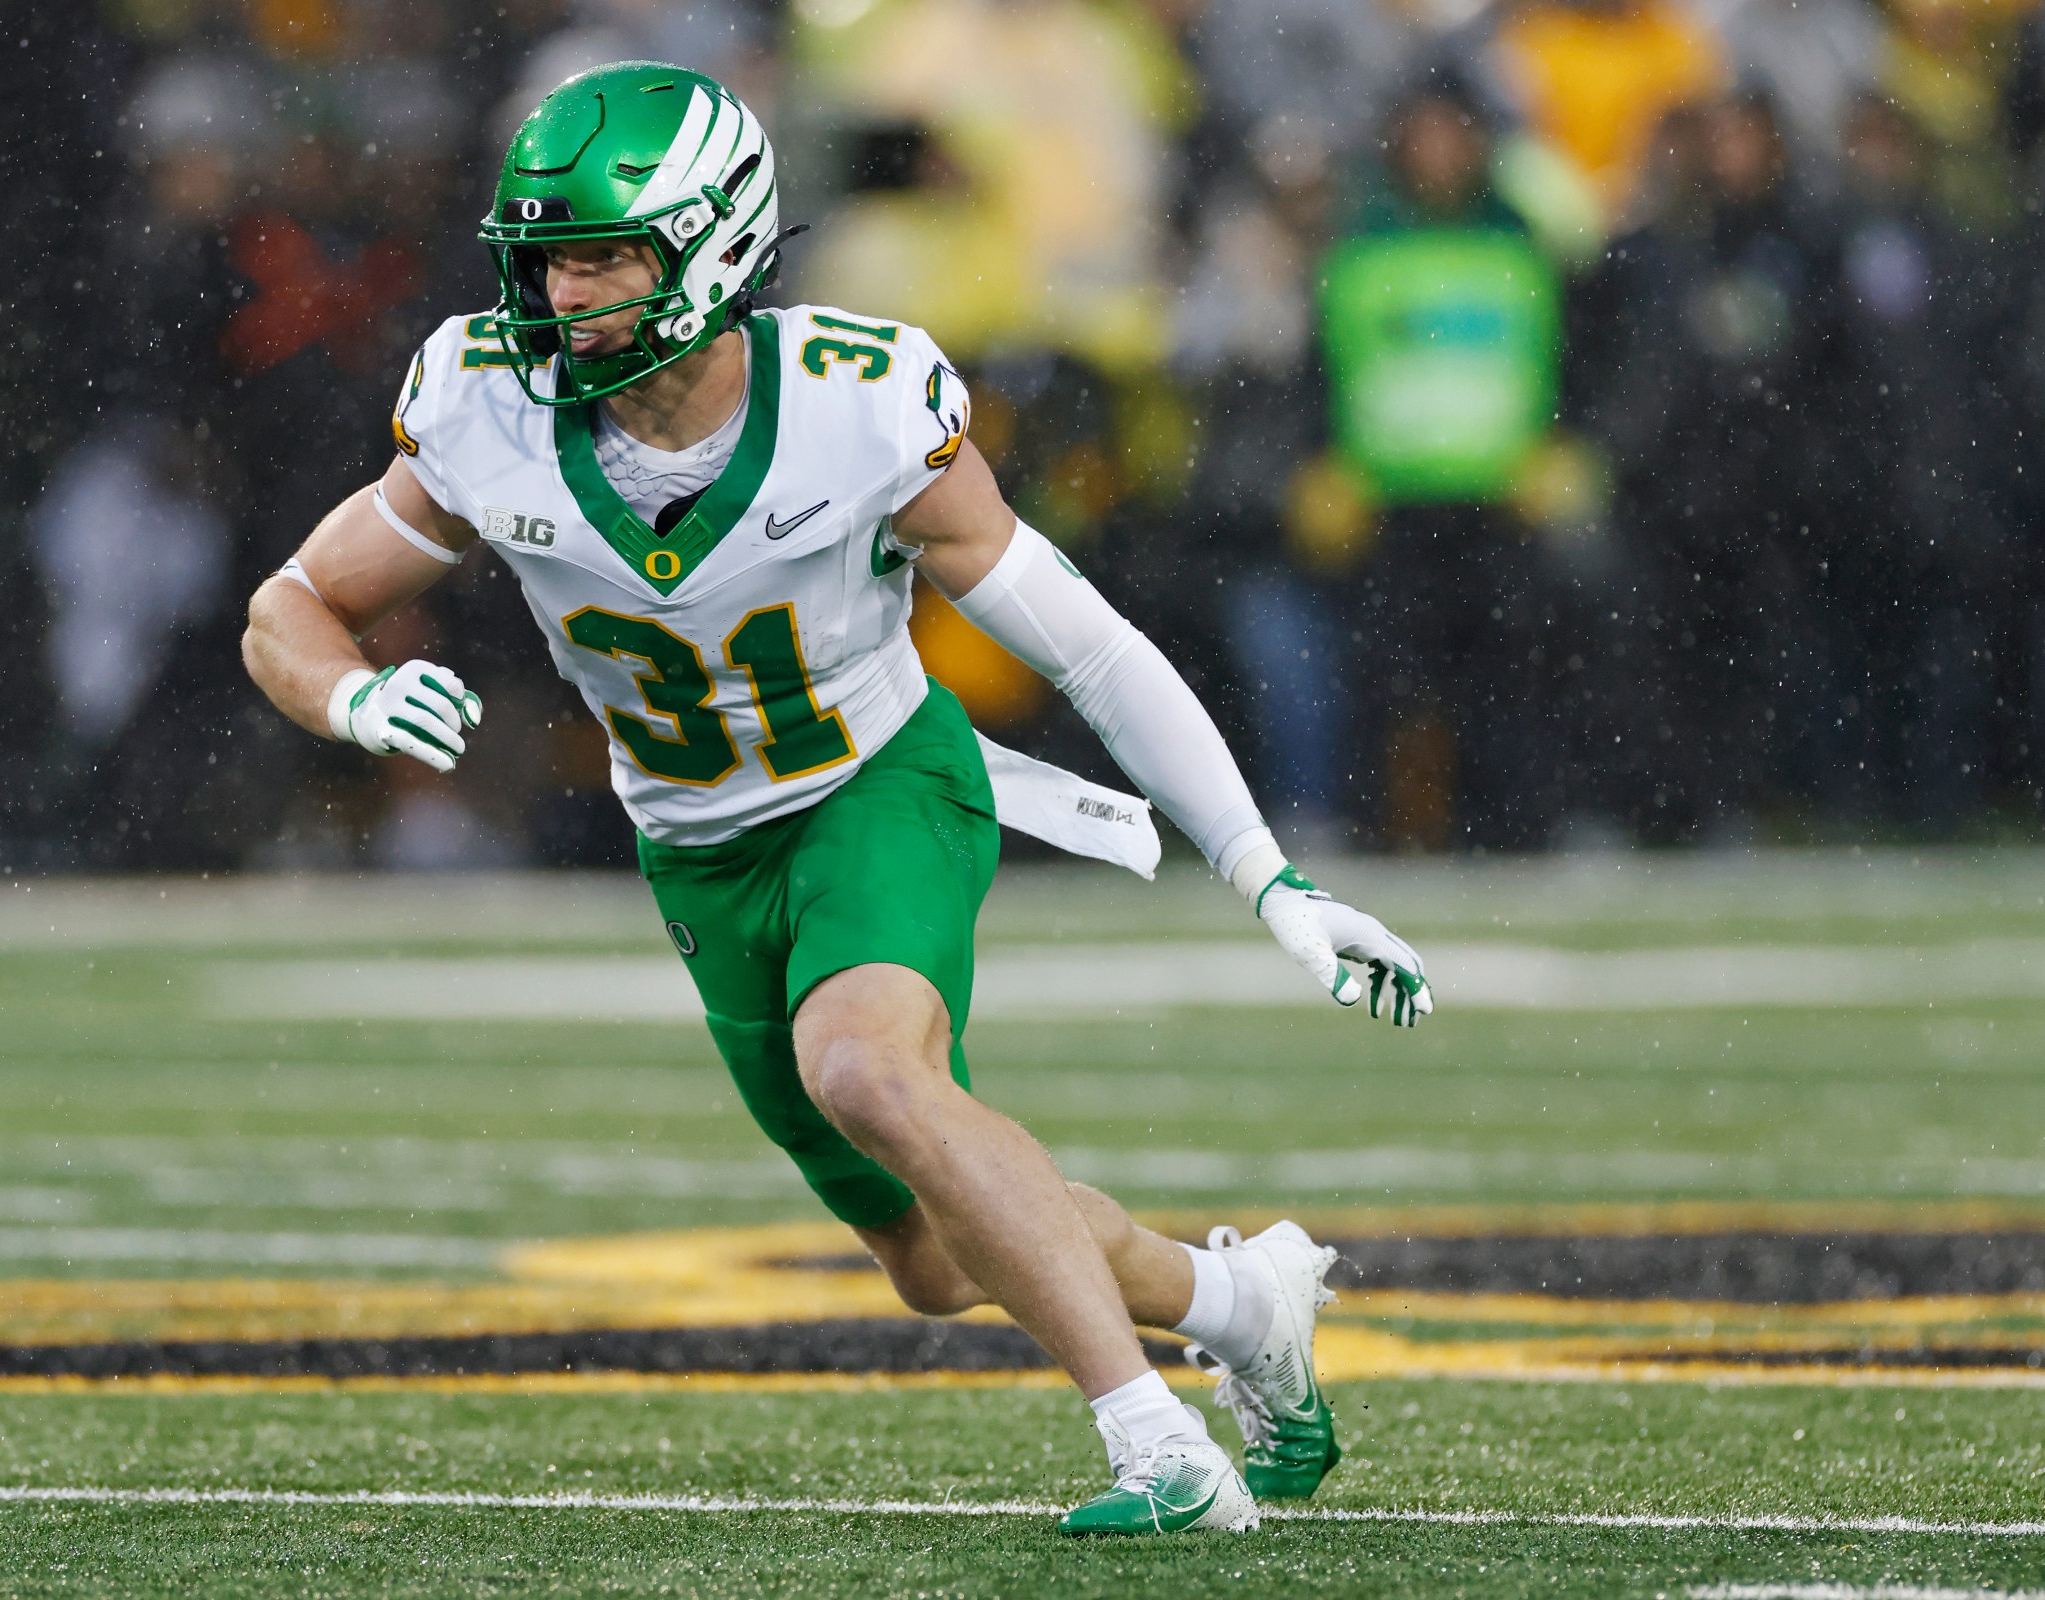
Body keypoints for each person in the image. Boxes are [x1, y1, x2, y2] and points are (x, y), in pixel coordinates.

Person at [242, 61, 1435, 1537]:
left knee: (866, 1071)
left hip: (877, 786)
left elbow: (1092, 646)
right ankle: (1240, 1302)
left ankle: (1157, 1447)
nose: (560, 295)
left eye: (601, 257)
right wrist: (349, 698)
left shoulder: (854, 405)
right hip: (696, 849)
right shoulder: (486, 403)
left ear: (713, 250)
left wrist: (1268, 875)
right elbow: (293, 605)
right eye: (544, 259)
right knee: (934, 1263)